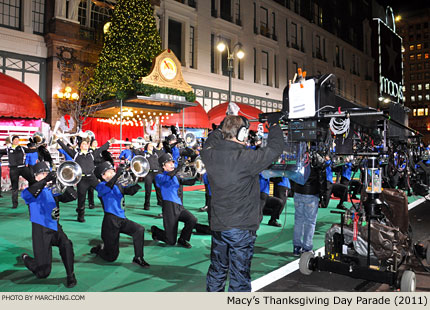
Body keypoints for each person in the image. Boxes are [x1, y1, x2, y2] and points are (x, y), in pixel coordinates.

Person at [201, 114, 283, 292]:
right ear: (242, 133)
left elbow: (211, 138)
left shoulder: (209, 153)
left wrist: (222, 125)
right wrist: (275, 124)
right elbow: (276, 148)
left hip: (218, 224)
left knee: (217, 270)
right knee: (239, 276)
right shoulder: (246, 158)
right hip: (241, 226)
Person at [20, 161, 76, 288]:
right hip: (40, 230)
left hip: (55, 227)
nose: (45, 175)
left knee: (66, 244)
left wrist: (64, 183)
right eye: (42, 174)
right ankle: (26, 259)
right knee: (43, 273)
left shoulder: (53, 190)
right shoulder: (30, 191)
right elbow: (28, 195)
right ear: (35, 177)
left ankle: (70, 275)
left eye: (47, 173)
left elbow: (73, 196)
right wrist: (45, 180)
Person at [90, 161, 150, 267]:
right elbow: (108, 187)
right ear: (103, 176)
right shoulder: (101, 186)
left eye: (113, 170)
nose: (113, 172)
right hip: (110, 222)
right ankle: (99, 250)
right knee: (111, 257)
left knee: (139, 230)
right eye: (109, 171)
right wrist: (118, 174)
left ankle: (138, 258)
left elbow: (131, 191)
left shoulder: (118, 184)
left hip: (122, 219)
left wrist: (135, 176)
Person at [57, 136, 113, 222]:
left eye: (86, 144)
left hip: (92, 178)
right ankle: (80, 217)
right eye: (83, 144)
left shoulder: (92, 154)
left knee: (103, 190)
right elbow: (65, 148)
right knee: (81, 198)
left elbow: (101, 149)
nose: (86, 145)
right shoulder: (75, 154)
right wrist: (58, 140)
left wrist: (109, 142)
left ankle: (108, 210)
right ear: (80, 146)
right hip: (82, 179)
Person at [151, 153, 197, 248]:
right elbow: (167, 178)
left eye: (172, 162)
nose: (172, 164)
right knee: (170, 241)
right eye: (169, 163)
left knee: (192, 219)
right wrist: (178, 168)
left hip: (179, 206)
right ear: (163, 166)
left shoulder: (175, 176)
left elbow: (190, 182)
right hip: (169, 208)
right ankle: (155, 231)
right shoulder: (158, 176)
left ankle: (183, 239)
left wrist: (196, 171)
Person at [290, 161, 324, 256]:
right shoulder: (316, 159)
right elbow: (321, 178)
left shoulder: (298, 156)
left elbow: (292, 174)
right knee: (310, 221)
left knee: (298, 220)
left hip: (298, 191)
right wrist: (323, 196)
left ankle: (296, 247)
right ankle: (307, 247)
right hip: (311, 193)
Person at [0, 135, 35, 208]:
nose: (17, 141)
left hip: (23, 168)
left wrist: (38, 148)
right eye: (15, 140)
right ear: (12, 141)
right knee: (14, 187)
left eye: (18, 140)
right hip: (13, 170)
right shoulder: (8, 149)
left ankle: (33, 197)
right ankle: (14, 204)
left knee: (32, 180)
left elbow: (30, 150)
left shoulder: (21, 148)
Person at [139, 142, 162, 210]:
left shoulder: (155, 154)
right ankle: (146, 205)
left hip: (156, 173)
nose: (152, 146)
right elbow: (137, 153)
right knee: (148, 190)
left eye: (152, 145)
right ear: (147, 147)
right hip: (149, 173)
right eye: (150, 145)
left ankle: (160, 202)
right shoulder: (144, 154)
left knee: (158, 188)